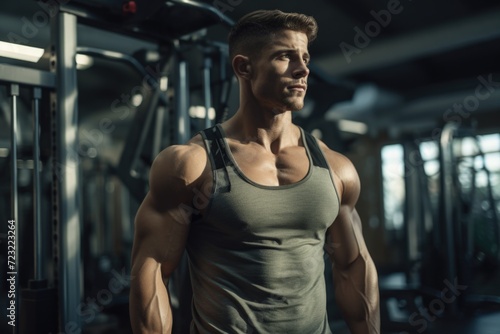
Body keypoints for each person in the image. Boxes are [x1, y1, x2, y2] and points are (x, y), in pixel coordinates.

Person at [129, 9, 380, 334]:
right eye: (285, 57)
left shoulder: (335, 167)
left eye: (305, 57)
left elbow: (352, 266)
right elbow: (152, 271)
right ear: (243, 67)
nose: (303, 69)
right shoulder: (191, 165)